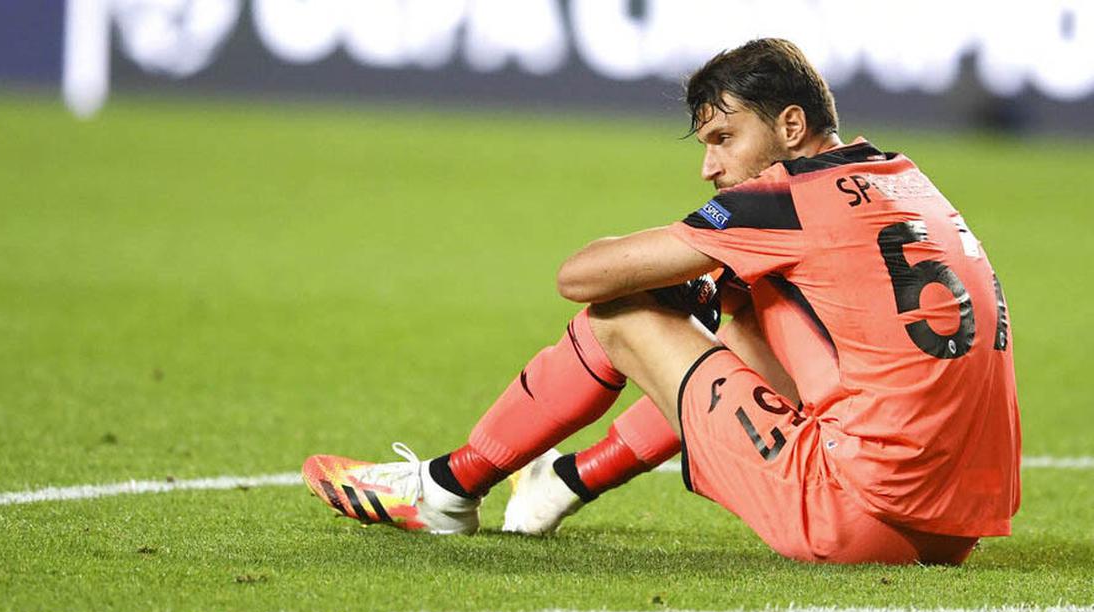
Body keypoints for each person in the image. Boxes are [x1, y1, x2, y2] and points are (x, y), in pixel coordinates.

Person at [301, 38, 1020, 565]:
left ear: (791, 127)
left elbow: (581, 275)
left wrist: (678, 282)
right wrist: (718, 286)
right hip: (949, 531)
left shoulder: (785, 201)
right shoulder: (906, 181)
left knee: (624, 315)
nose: (710, 166)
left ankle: (445, 490)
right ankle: (567, 480)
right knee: (752, 316)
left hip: (853, 515)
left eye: (723, 138)